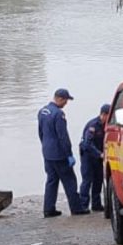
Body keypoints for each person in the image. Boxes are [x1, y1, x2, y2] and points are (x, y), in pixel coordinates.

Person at [37, 88, 89, 217]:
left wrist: (45, 146)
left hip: (47, 152)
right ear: (59, 99)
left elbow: (41, 132)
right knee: (70, 180)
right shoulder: (58, 114)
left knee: (51, 180)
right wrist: (69, 154)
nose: (66, 103)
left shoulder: (43, 111)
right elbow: (63, 137)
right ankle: (76, 208)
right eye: (65, 100)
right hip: (59, 154)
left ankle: (48, 209)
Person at [79, 103, 110, 212]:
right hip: (88, 155)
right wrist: (99, 154)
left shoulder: (106, 126)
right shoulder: (93, 125)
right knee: (87, 180)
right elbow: (88, 144)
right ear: (103, 114)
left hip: (98, 156)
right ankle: (83, 205)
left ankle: (96, 205)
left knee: (98, 179)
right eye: (108, 116)